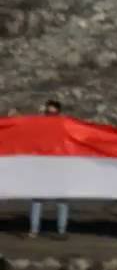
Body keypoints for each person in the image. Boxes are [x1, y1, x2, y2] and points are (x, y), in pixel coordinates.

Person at [27, 99, 69, 240]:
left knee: (62, 201)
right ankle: (34, 229)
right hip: (41, 167)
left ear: (58, 113)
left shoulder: (64, 125)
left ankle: (61, 230)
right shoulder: (38, 125)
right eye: (48, 113)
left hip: (59, 167)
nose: (50, 116)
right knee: (37, 199)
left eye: (53, 113)